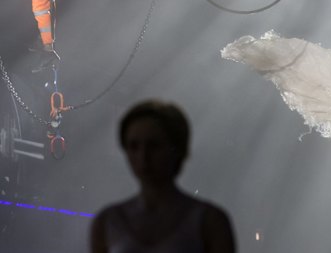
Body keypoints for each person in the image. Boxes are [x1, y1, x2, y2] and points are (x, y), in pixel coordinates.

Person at [89, 100, 236, 253]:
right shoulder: (107, 222)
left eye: (154, 145)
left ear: (176, 149)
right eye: (133, 146)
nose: (143, 157)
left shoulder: (210, 222)